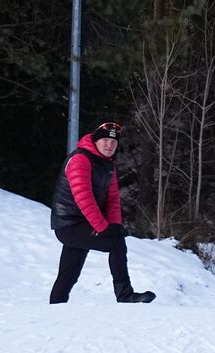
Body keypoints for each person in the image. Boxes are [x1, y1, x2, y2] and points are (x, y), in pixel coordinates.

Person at [49, 121, 155, 304]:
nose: (110, 145)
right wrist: (104, 228)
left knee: (69, 274)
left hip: (84, 224)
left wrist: (114, 224)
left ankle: (55, 308)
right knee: (116, 244)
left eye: (114, 142)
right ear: (95, 141)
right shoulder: (80, 159)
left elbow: (113, 197)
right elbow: (84, 197)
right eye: (105, 140)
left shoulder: (107, 163)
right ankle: (125, 295)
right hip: (68, 224)